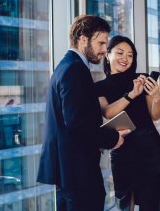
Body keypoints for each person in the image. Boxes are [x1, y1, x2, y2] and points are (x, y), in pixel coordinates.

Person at [37, 15, 128, 211]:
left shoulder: (65, 66)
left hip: (67, 168)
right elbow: (77, 121)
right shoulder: (75, 70)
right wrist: (113, 138)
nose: (105, 50)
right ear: (82, 38)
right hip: (77, 168)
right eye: (101, 42)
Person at [94, 35, 160, 211]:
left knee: (150, 200)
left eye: (130, 55)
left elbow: (155, 115)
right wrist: (132, 94)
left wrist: (156, 97)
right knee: (124, 199)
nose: (125, 58)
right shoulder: (99, 86)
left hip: (150, 146)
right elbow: (108, 112)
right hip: (121, 147)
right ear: (107, 55)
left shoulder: (142, 78)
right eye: (120, 53)